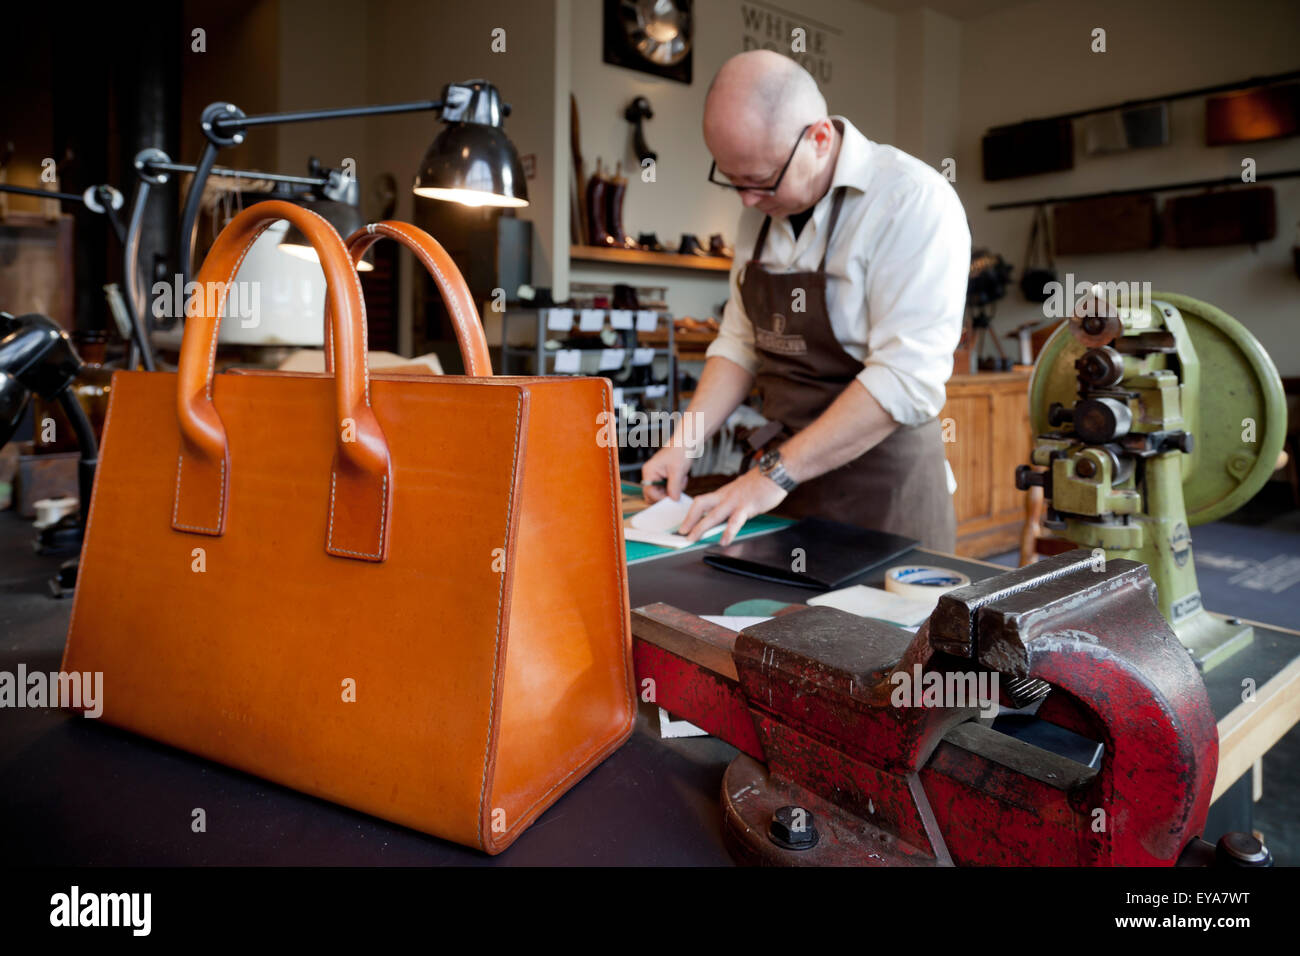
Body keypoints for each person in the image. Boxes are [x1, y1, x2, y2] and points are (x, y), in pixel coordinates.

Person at [642, 50, 970, 551]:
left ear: (819, 138)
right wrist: (682, 444)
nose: (748, 201)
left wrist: (771, 476)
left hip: (884, 499)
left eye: (761, 180)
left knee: (882, 632)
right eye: (734, 182)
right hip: (782, 495)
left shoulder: (911, 200)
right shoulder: (759, 210)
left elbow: (906, 377)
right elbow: (739, 343)